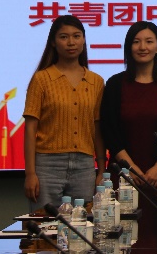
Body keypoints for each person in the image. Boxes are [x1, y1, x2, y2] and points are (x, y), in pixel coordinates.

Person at [23, 15, 105, 211]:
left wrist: (102, 169)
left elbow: (97, 128)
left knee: (83, 224)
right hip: (47, 166)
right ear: (53, 42)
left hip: (84, 166)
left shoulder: (96, 81)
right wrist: (30, 173)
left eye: (76, 36)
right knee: (44, 224)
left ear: (83, 40)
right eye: (64, 37)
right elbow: (30, 129)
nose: (71, 42)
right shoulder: (41, 79)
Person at [100, 21, 157, 205]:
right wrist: (131, 169)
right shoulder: (115, 84)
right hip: (123, 175)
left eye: (149, 41)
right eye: (136, 42)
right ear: (128, 47)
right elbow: (109, 132)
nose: (142, 47)